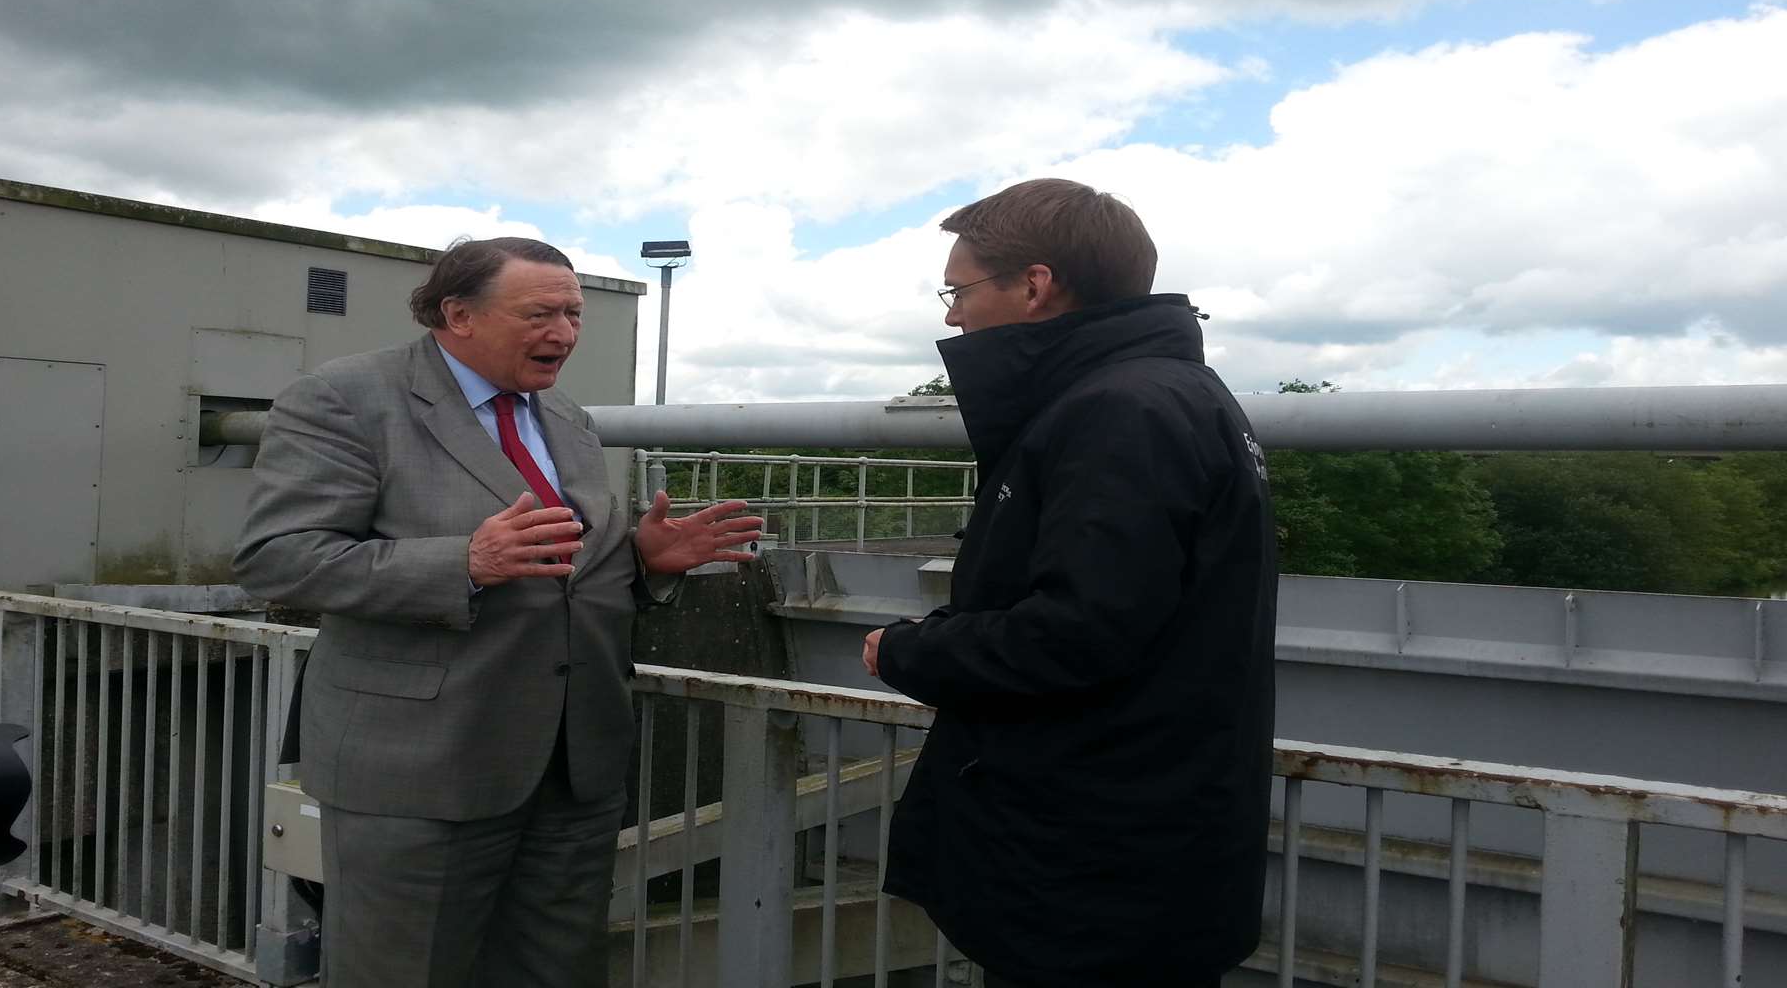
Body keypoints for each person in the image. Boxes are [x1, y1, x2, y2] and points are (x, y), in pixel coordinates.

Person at [233, 236, 761, 988]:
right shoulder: (347, 397)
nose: (566, 333)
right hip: (421, 770)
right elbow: (276, 558)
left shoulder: (566, 417)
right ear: (459, 314)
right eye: (540, 312)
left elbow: (557, 569)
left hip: (571, 769)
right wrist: (462, 563)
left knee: (556, 971)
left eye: (574, 313)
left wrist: (642, 561)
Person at [861, 180, 1277, 987]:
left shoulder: (1117, 412)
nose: (951, 315)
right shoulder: (1179, 394)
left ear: (1035, 285)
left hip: (1094, 861)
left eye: (960, 290)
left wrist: (914, 652)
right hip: (1142, 842)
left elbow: (1080, 632)